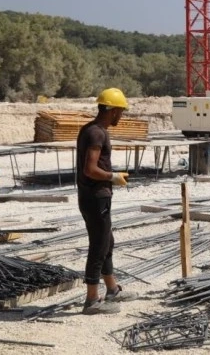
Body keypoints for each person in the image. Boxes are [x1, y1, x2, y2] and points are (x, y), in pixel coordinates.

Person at [77, 88, 138, 315]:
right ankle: (91, 300)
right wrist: (112, 176)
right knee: (99, 245)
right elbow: (90, 168)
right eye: (120, 111)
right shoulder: (96, 134)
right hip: (95, 197)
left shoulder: (91, 130)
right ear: (111, 110)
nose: (121, 116)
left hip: (91, 196)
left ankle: (112, 289)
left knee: (107, 242)